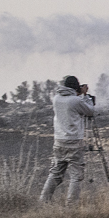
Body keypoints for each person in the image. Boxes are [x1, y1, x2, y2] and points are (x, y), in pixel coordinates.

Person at [40, 75, 96, 205]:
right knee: (76, 175)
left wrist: (78, 93)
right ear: (76, 87)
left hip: (59, 140)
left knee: (55, 173)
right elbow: (90, 111)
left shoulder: (56, 99)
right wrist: (85, 96)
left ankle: (43, 201)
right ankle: (71, 206)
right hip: (74, 141)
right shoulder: (76, 100)